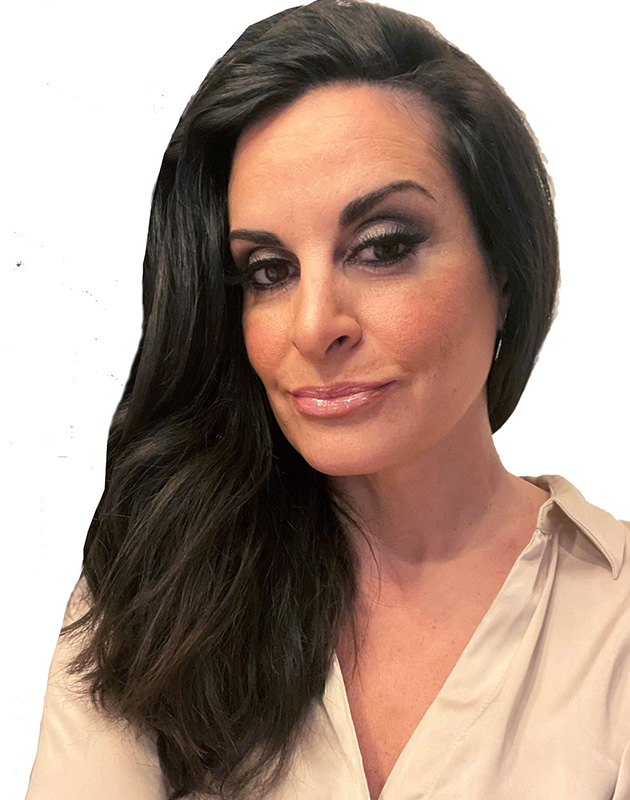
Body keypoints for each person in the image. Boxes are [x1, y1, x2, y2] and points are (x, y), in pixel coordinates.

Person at [25, 1, 630, 798]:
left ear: (507, 273)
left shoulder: (613, 619)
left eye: (383, 248)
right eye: (269, 271)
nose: (313, 327)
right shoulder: (153, 595)